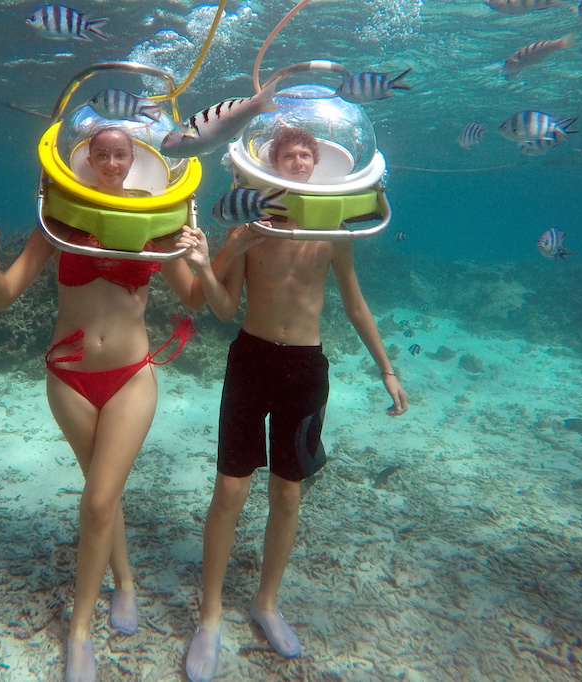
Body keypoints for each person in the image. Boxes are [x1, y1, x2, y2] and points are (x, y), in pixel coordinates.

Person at [0, 127, 204, 682]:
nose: (113, 161)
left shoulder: (157, 224)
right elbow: (2, 299)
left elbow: (195, 298)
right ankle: (124, 582)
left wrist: (212, 256)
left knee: (97, 501)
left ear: (136, 160)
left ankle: (80, 635)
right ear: (87, 161)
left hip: (132, 377)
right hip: (68, 376)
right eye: (103, 153)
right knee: (103, 490)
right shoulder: (58, 224)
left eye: (123, 154)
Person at [179, 126, 409, 682]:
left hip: (306, 368)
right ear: (274, 166)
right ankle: (209, 618)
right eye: (290, 154)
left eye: (307, 154)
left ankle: (266, 603)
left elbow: (354, 305)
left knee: (286, 492)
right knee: (230, 489)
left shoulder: (332, 233)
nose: (300, 160)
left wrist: (386, 368)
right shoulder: (249, 228)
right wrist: (217, 258)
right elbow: (222, 308)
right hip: (251, 360)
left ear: (318, 166)